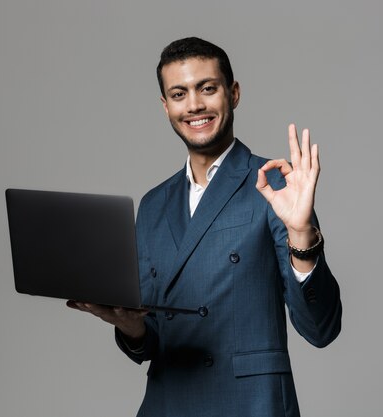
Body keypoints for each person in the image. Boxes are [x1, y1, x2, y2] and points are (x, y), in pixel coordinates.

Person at [68, 37, 342, 417]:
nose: (194, 105)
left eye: (207, 89)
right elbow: (153, 340)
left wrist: (301, 234)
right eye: (179, 94)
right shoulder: (153, 205)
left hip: (250, 405)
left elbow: (320, 329)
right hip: (168, 404)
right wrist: (129, 326)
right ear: (166, 107)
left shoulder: (275, 184)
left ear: (234, 93)